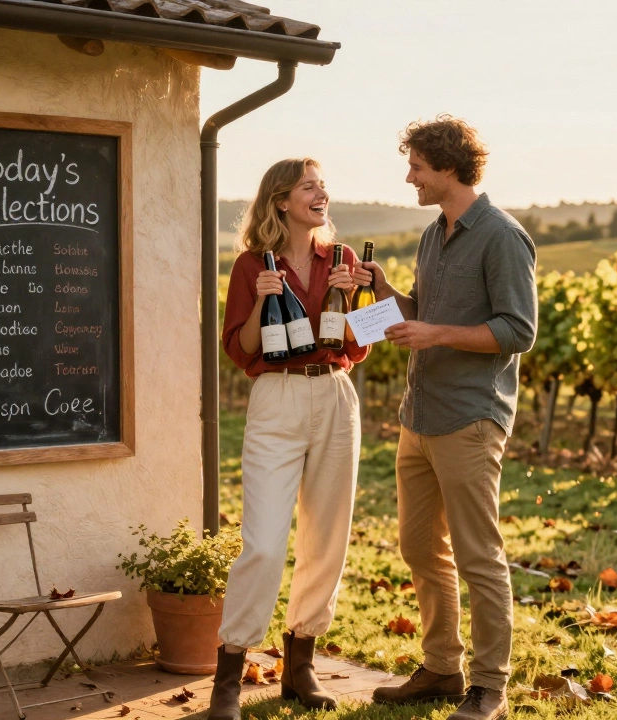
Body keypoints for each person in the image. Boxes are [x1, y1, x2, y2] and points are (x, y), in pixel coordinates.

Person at [364, 116, 538, 720]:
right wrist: (385, 290)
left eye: (416, 166)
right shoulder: (433, 235)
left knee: (477, 554)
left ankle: (489, 684)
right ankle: (441, 667)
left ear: (447, 168)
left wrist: (434, 331)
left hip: (470, 418)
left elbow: (519, 332)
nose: (409, 176)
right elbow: (421, 314)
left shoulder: (502, 237)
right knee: (417, 546)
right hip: (421, 415)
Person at [209, 158, 373, 720]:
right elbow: (243, 350)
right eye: (309, 186)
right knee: (262, 542)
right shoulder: (252, 263)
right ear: (281, 200)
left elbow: (360, 344)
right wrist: (259, 298)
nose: (321, 193)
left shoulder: (344, 260)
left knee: (327, 538)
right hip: (276, 399)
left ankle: (299, 666)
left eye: (322, 184)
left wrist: (356, 299)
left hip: (334, 393)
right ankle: (229, 675)